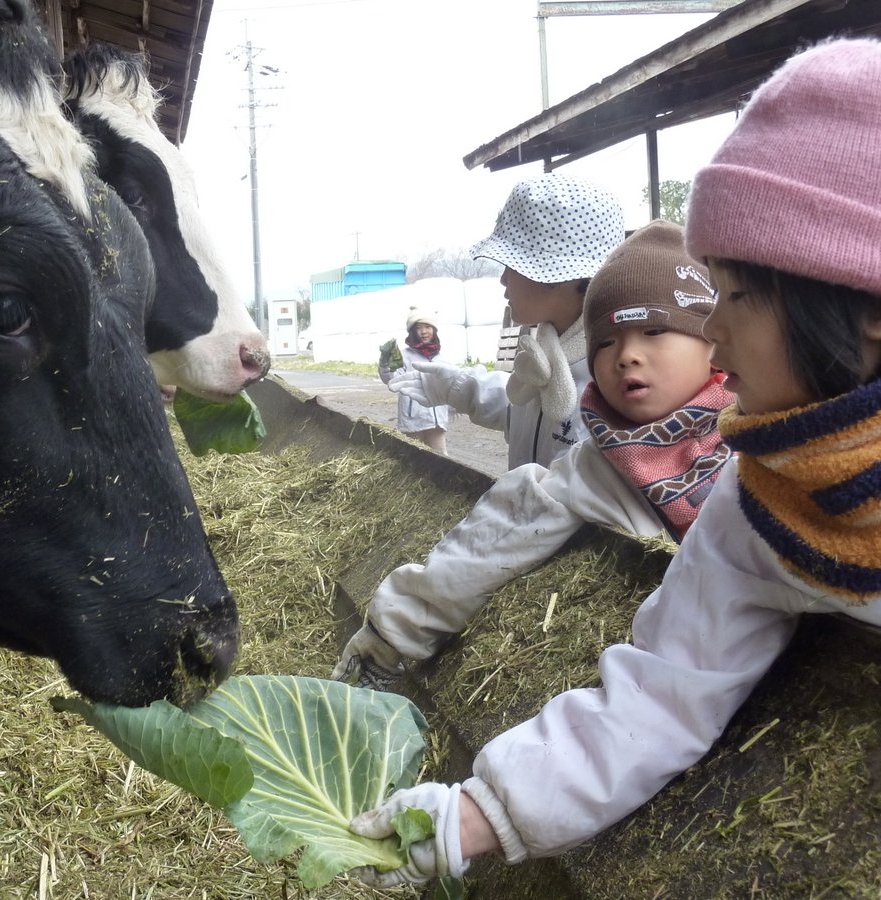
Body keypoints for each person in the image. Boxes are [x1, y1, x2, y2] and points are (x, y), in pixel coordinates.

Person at [345, 37, 881, 886]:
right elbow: (661, 691)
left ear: (864, 309)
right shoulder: (758, 504)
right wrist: (473, 814)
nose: (711, 331)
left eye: (733, 296)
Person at [334, 219, 730, 689]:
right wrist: (435, 382)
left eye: (656, 331)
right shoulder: (559, 384)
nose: (626, 355)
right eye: (608, 341)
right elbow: (512, 460)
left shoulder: (750, 444)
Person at [388, 173, 624, 470]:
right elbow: (526, 416)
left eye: (511, 265)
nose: (502, 279)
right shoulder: (547, 349)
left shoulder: (614, 380)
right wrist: (458, 388)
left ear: (556, 275)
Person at [378, 308, 452, 454]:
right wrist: (384, 363)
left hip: (436, 423)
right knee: (410, 459)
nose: (424, 331)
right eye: (418, 328)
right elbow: (392, 380)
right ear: (412, 331)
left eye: (428, 327)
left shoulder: (441, 357)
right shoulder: (404, 356)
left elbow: (449, 383)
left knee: (442, 461)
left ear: (434, 329)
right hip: (413, 420)